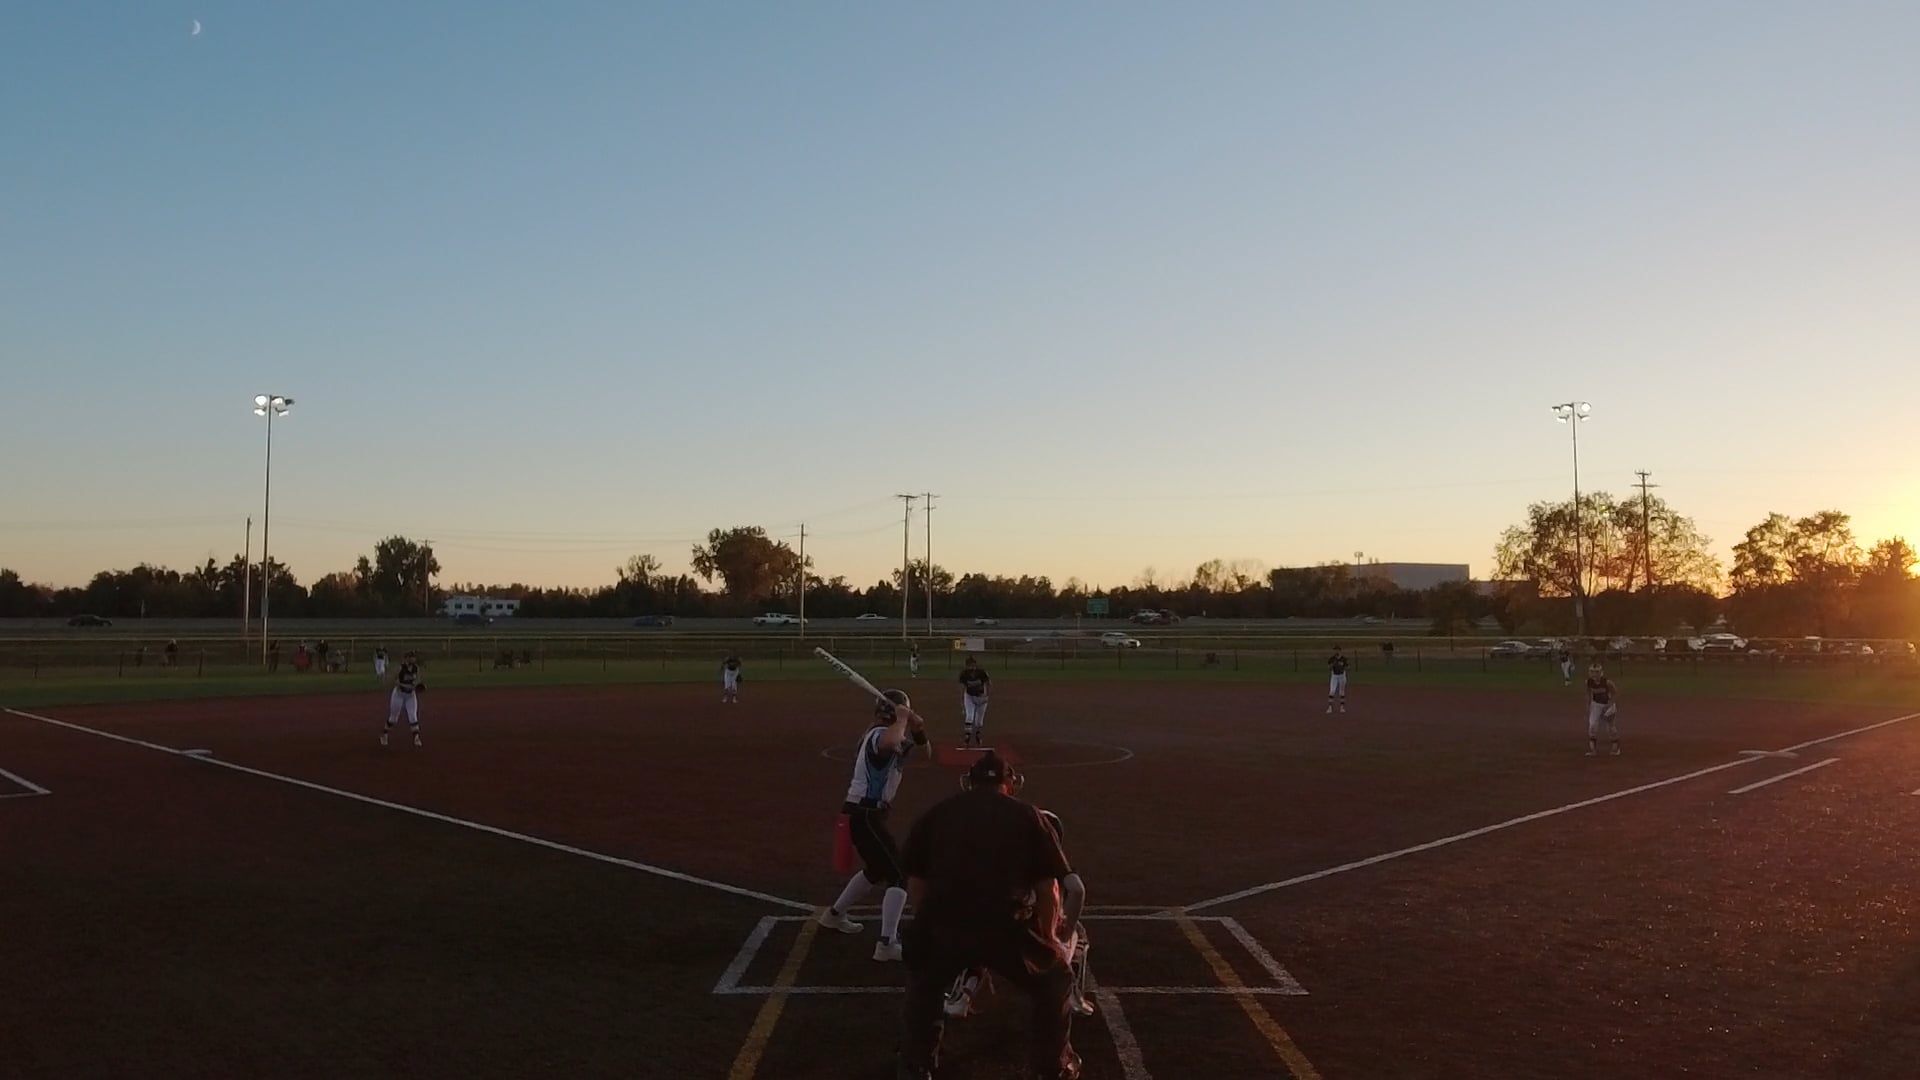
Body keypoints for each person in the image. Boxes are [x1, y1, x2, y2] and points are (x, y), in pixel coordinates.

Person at [897, 750, 1082, 1080]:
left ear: (969, 782)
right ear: (1010, 784)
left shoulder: (937, 813)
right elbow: (1048, 889)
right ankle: (1052, 1066)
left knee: (924, 983)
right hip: (1005, 925)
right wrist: (1048, 938)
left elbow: (916, 884)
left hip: (945, 920)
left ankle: (916, 1064)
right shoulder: (1029, 815)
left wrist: (926, 925)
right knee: (1055, 980)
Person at [944, 805, 1095, 1021]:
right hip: (1032, 936)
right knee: (1077, 934)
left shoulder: (996, 861)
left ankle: (962, 995)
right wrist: (1061, 934)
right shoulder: (1055, 868)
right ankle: (1070, 992)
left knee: (977, 937)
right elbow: (1075, 893)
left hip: (992, 932)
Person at [819, 689, 927, 963]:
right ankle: (887, 943)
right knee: (899, 874)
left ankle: (834, 915)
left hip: (867, 814)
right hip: (864, 813)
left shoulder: (890, 733)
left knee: (877, 869)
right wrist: (902, 718)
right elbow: (891, 742)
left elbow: (925, 753)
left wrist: (918, 729)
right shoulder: (879, 735)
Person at [381, 650, 426, 748]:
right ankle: (384, 735)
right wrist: (403, 685)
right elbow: (394, 682)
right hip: (399, 695)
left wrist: (419, 685)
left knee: (413, 716)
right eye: (411, 657)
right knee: (393, 718)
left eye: (414, 657)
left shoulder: (416, 668)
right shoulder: (400, 668)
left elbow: (418, 680)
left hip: (410, 696)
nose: (413, 659)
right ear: (407, 658)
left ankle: (416, 738)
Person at [1585, 662, 1620, 757]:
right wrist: (1588, 704)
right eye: (1592, 672)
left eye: (1596, 672)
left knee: (1610, 727)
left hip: (1607, 704)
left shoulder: (1607, 682)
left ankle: (1616, 748)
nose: (1594, 674)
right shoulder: (1588, 682)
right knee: (1592, 726)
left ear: (1601, 673)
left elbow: (1615, 693)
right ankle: (1593, 750)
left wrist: (1612, 705)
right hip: (1596, 704)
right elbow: (1588, 693)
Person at [958, 656, 991, 747]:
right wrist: (962, 701)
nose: (971, 667)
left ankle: (977, 735)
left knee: (979, 722)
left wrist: (987, 695)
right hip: (969, 696)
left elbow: (989, 683)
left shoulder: (981, 672)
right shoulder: (964, 674)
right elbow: (962, 687)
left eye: (972, 665)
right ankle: (967, 737)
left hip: (981, 698)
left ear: (975, 665)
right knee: (969, 716)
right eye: (969, 665)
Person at [1326, 645, 1349, 714]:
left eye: (1337, 650)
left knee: (1341, 691)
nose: (1336, 651)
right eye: (1335, 650)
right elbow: (1328, 667)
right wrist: (1333, 665)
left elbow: (1348, 667)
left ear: (1340, 650)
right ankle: (1330, 707)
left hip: (1342, 676)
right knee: (1332, 691)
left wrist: (1341, 665)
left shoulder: (1343, 659)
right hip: (1334, 676)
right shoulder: (1332, 659)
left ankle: (1342, 707)